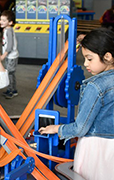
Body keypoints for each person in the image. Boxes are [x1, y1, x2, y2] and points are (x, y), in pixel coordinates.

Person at [38, 28, 114, 180]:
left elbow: (80, 128)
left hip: (95, 150)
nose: (85, 63)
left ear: (108, 56)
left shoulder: (95, 87)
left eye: (89, 58)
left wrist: (57, 128)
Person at [0, 10, 19, 99]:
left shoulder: (9, 31)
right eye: (0, 20)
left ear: (10, 22)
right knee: (9, 73)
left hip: (11, 56)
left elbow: (10, 45)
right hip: (9, 56)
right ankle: (12, 89)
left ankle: (11, 90)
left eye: (4, 20)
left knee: (9, 73)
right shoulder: (7, 30)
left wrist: (4, 55)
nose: (1, 22)